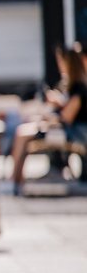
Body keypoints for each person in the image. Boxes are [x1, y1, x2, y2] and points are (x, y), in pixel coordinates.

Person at [10, 47, 87, 194]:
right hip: (63, 130)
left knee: (22, 134)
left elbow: (66, 118)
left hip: (73, 133)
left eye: (62, 61)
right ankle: (16, 180)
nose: (60, 65)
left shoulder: (79, 89)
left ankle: (16, 180)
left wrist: (48, 118)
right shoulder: (70, 87)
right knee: (22, 132)